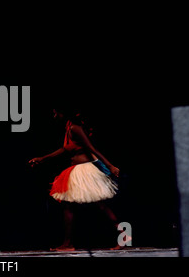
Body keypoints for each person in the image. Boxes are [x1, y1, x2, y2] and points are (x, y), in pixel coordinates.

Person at [29, 107, 129, 251]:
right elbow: (65, 149)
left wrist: (110, 165)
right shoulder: (69, 128)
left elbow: (92, 148)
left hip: (84, 171)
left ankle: (70, 244)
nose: (54, 115)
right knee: (75, 205)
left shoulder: (75, 128)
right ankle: (69, 243)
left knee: (95, 205)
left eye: (56, 112)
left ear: (64, 112)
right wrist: (43, 159)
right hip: (77, 170)